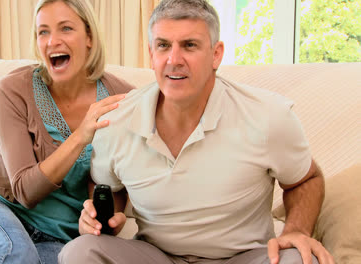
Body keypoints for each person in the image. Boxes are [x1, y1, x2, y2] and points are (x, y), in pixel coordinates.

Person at [58, 0, 335, 263]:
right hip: (156, 256)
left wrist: (296, 231)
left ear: (216, 54)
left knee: (300, 258)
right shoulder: (116, 119)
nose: (174, 59)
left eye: (189, 45)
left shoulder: (268, 116)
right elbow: (107, 187)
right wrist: (106, 217)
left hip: (244, 258)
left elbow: (305, 179)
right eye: (163, 46)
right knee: (79, 252)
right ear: (151, 54)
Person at [0, 0, 134, 263]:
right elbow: (25, 191)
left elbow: (115, 183)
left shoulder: (121, 98)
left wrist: (108, 220)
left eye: (66, 29)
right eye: (43, 32)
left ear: (89, 37)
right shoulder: (12, 90)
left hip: (61, 237)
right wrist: (81, 134)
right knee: (18, 256)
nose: (52, 41)